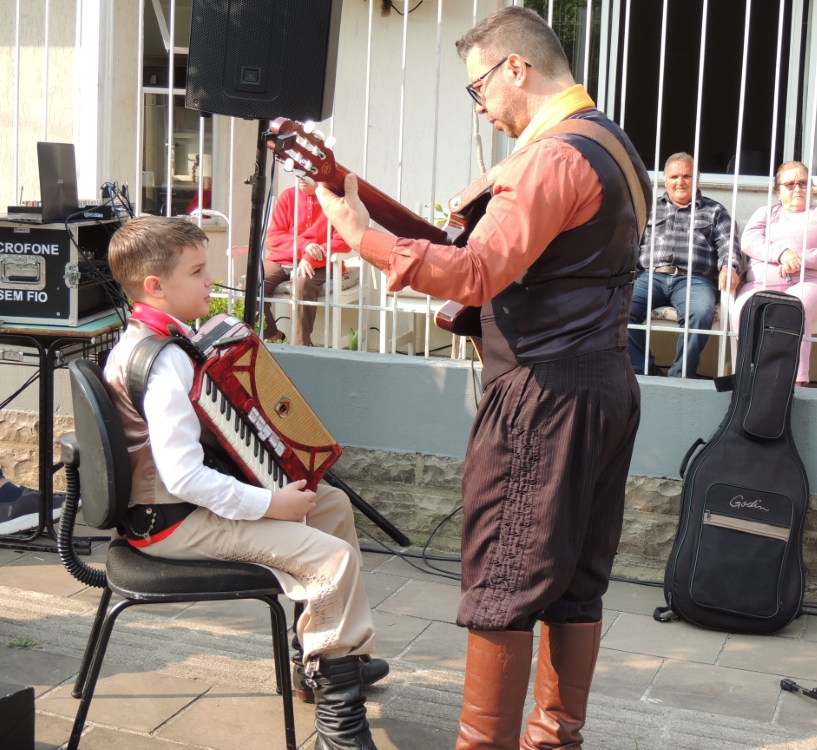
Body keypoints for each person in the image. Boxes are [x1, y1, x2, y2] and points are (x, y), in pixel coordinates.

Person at [317, 8, 650, 749]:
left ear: (516, 69)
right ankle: (553, 740)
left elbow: (475, 272)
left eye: (479, 89)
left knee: (504, 577)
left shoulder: (550, 159)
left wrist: (362, 237)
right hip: (604, 384)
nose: (481, 108)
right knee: (576, 580)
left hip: (542, 396)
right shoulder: (615, 145)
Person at [104, 217, 380, 750]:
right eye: (197, 272)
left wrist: (275, 497)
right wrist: (270, 503)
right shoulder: (164, 364)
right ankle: (340, 726)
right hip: (172, 522)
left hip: (177, 508)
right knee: (332, 560)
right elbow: (183, 476)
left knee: (329, 504)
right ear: (155, 286)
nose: (210, 281)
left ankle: (325, 657)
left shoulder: (153, 339)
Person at [732, 161, 817, 385]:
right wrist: (782, 254)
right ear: (778, 190)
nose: (797, 188)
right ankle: (751, 375)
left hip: (811, 282)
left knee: (793, 307)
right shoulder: (766, 213)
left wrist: (799, 260)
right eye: (790, 184)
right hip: (761, 283)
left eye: (803, 183)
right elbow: (749, 241)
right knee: (744, 308)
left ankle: (794, 381)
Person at [628, 152, 741, 377]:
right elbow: (628, 242)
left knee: (700, 313)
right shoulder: (648, 208)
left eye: (687, 176)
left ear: (696, 178)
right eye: (674, 176)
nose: (680, 182)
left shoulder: (715, 211)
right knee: (621, 308)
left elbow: (728, 244)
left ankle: (680, 377)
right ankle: (644, 371)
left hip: (695, 280)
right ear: (665, 179)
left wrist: (729, 266)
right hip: (650, 276)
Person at [263, 178, 352, 346]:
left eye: (307, 172)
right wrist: (305, 246)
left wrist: (309, 257)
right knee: (253, 282)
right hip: (283, 258)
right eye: (298, 172)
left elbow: (343, 241)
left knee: (301, 283)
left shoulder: (335, 200)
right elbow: (274, 236)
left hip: (321, 263)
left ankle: (300, 347)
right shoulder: (288, 196)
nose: (301, 177)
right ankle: (272, 335)